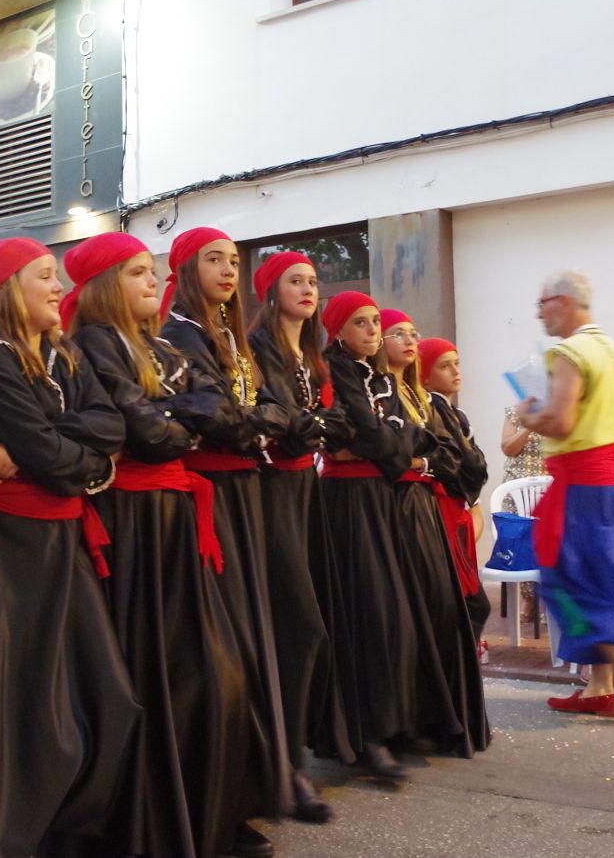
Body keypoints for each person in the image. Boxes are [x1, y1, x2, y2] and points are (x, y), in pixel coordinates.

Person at [66, 231, 265, 857]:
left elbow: (218, 411)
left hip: (175, 516)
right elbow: (151, 434)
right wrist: (182, 421)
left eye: (151, 271)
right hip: (132, 522)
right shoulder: (91, 344)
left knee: (211, 669)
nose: (152, 281)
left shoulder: (162, 346)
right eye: (135, 273)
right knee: (156, 673)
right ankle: (152, 821)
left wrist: (174, 419)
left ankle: (204, 810)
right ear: (105, 286)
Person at [0, 237, 139, 858]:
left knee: (108, 699)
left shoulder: (60, 349)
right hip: (9, 549)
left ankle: (69, 830)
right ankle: (20, 838)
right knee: (28, 706)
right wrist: (75, 456)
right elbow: (49, 455)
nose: (59, 288)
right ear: (8, 288)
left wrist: (61, 450)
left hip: (62, 535)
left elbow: (111, 426)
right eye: (46, 276)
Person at [158, 226, 293, 855]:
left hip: (244, 493)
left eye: (234, 260)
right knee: (220, 654)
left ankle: (249, 789)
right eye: (214, 259)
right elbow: (216, 417)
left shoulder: (231, 336)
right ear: (187, 269)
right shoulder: (181, 333)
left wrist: (257, 423)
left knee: (251, 640)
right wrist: (258, 426)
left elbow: (273, 410)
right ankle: (212, 804)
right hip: (207, 498)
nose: (228, 270)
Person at [247, 250, 353, 822]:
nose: (309, 289)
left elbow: (335, 426)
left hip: (304, 491)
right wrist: (307, 428)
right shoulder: (258, 347)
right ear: (271, 291)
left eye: (313, 280)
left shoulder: (313, 356)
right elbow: (285, 426)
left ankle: (294, 757)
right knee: (295, 626)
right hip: (270, 493)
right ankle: (283, 766)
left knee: (310, 626)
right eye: (295, 280)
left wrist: (306, 427)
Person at [515, 271, 614, 716]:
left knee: (559, 578)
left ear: (565, 302)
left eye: (543, 303)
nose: (539, 314)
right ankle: (599, 686)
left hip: (583, 484)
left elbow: (562, 423)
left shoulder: (570, 352)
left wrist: (528, 416)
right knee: (606, 576)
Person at [376, 310, 490, 758]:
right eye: (445, 364)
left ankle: (446, 709)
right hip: (416, 509)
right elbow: (405, 455)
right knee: (439, 609)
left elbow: (464, 464)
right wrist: (432, 464)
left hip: (439, 506)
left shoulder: (430, 404)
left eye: (413, 334)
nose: (456, 372)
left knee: (457, 607)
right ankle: (424, 715)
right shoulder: (388, 395)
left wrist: (427, 463)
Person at [317, 291, 420, 780]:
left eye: (376, 321)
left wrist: (381, 443)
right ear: (338, 330)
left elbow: (406, 435)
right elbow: (366, 432)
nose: (373, 330)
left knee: (394, 615)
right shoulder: (335, 370)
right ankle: (365, 735)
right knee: (368, 614)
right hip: (348, 502)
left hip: (380, 497)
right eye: (361, 322)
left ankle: (388, 724)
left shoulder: (379, 376)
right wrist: (384, 442)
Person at [419, 336, 492, 636]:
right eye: (444, 366)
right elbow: (463, 466)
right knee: (467, 604)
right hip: (444, 511)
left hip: (457, 511)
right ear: (425, 375)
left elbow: (474, 469)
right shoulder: (432, 411)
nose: (455, 371)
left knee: (469, 604)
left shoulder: (454, 415)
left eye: (457, 363)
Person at [499, 403, 545, 623]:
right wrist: (528, 427)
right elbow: (507, 448)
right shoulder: (517, 410)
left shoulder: (562, 409)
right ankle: (529, 598)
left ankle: (550, 599)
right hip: (516, 488)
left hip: (549, 485)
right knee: (520, 538)